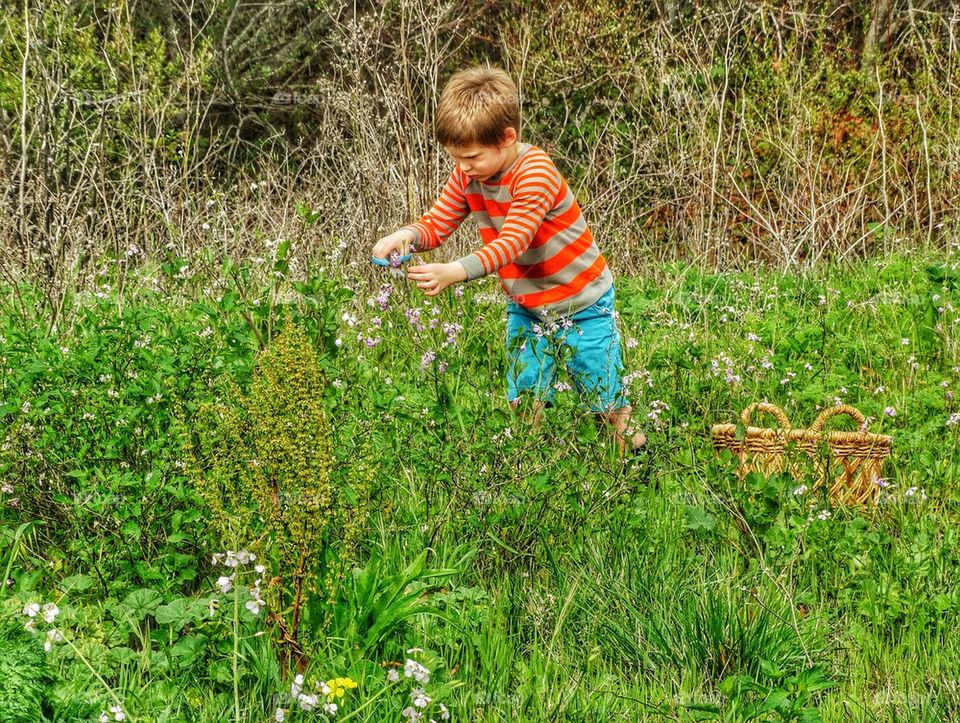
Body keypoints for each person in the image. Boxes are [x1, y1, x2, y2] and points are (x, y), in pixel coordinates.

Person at [372, 66, 647, 454]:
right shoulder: (469, 175)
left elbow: (512, 243)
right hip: (528, 305)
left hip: (583, 301)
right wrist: (408, 236)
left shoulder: (534, 173)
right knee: (524, 394)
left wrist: (454, 271)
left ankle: (635, 460)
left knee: (603, 401)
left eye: (471, 157)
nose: (463, 167)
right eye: (457, 158)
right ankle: (528, 470)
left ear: (507, 138)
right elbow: (439, 221)